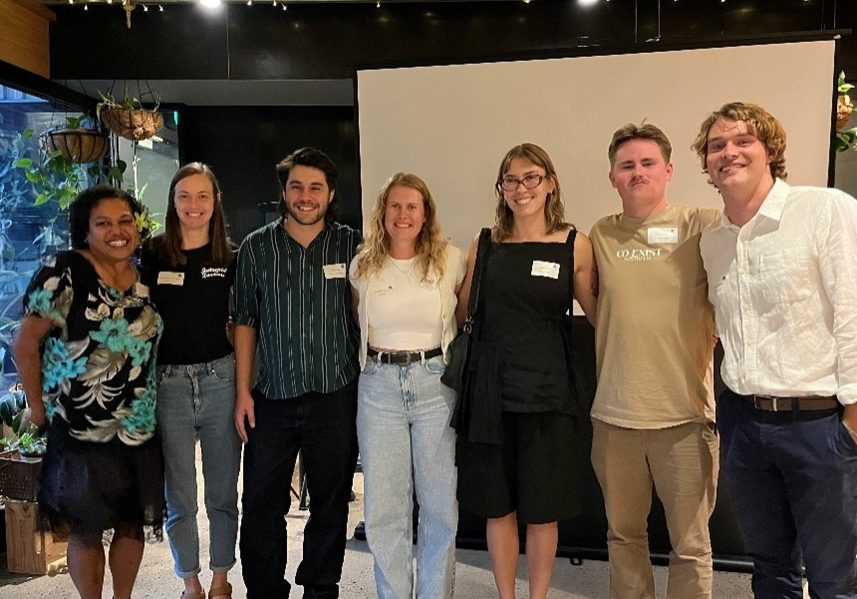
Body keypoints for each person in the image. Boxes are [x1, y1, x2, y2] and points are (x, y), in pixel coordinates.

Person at [693, 101, 857, 598]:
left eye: (743, 141)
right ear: (707, 164)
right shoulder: (713, 239)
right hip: (745, 424)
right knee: (769, 568)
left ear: (770, 150)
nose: (729, 152)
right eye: (717, 145)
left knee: (837, 577)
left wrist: (852, 418)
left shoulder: (825, 209)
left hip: (820, 426)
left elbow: (853, 310)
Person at [455, 143, 597, 599]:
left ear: (550, 182)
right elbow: (461, 315)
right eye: (511, 180)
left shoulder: (575, 245)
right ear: (501, 189)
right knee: (498, 509)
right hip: (490, 396)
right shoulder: (485, 243)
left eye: (531, 177)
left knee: (541, 510)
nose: (522, 189)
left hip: (549, 396)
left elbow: (600, 316)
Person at [588, 123, 720, 599]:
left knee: (690, 545)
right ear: (612, 177)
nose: (637, 172)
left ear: (668, 170)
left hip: (684, 417)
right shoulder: (599, 235)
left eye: (647, 163)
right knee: (624, 538)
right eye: (627, 165)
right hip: (615, 418)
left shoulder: (703, 224)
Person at [13, 185, 163, 599]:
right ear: (86, 231)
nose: (117, 231)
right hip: (81, 428)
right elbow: (24, 344)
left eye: (125, 221)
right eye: (104, 223)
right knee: (87, 526)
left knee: (131, 522)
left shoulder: (144, 276)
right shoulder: (64, 270)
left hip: (138, 424)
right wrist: (39, 411)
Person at [233, 147, 361, 599]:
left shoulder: (352, 245)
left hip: (335, 392)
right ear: (284, 192)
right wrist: (243, 391)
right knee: (261, 504)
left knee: (330, 501)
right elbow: (245, 321)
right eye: (297, 187)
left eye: (315, 188)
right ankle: (265, 589)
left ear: (330, 194)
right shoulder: (255, 247)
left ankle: (321, 586)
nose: (305, 197)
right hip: (272, 395)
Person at [349, 173, 465, 599]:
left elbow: (462, 313)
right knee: (385, 509)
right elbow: (358, 315)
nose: (403, 215)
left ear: (425, 213)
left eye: (412, 206)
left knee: (438, 506)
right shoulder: (363, 264)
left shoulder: (451, 260)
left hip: (434, 384)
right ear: (383, 213)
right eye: (395, 206)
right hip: (378, 386)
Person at [140, 163, 240, 599]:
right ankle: (191, 583)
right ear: (173, 202)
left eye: (202, 196)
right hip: (170, 385)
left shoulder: (231, 257)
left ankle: (220, 580)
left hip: (221, 379)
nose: (193, 205)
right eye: (184, 196)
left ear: (215, 201)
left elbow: (242, 326)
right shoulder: (153, 253)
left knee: (222, 492)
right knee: (180, 495)